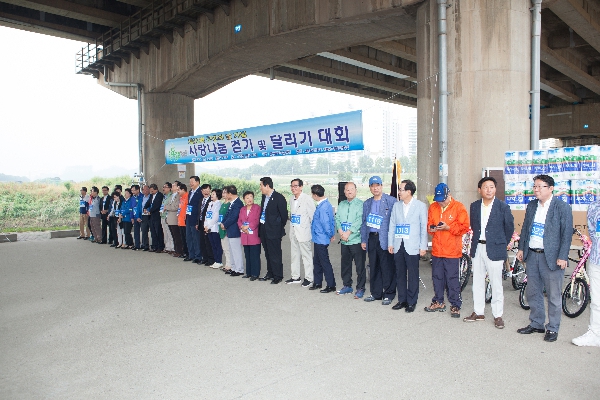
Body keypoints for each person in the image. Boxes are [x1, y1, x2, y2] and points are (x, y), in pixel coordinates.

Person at [516, 174, 573, 342]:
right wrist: (521, 248)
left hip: (552, 257)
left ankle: (553, 328)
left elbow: (566, 234)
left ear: (551, 188)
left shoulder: (561, 207)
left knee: (554, 295)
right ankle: (536, 323)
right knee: (533, 292)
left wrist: (563, 256)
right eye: (535, 186)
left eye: (540, 186)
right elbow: (526, 228)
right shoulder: (532, 205)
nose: (536, 189)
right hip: (533, 254)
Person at [465, 177, 514, 328]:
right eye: (485, 187)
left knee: (496, 283)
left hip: (495, 248)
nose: (488, 190)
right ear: (479, 190)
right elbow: (474, 226)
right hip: (478, 247)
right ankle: (478, 312)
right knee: (478, 281)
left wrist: (501, 243)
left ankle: (497, 315)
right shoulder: (474, 206)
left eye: (491, 187)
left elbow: (509, 228)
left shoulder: (502, 207)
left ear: (495, 189)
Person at [426, 183, 470, 318]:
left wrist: (448, 228)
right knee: (437, 277)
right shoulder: (433, 207)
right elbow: (429, 225)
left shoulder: (459, 207)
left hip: (452, 251)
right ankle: (438, 301)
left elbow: (464, 227)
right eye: (438, 200)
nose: (440, 203)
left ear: (449, 195)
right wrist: (432, 228)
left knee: (452, 279)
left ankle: (455, 304)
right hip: (437, 250)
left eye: (442, 200)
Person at [387, 179, 428, 313]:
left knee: (413, 274)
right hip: (399, 244)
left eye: (401, 190)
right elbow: (392, 225)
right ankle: (402, 299)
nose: (399, 192)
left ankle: (411, 301)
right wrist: (390, 243)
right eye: (399, 190)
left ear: (409, 192)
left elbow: (423, 228)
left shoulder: (420, 206)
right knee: (400, 274)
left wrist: (423, 246)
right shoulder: (396, 206)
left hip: (413, 245)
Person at [360, 176, 397, 305]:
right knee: (374, 266)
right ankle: (376, 293)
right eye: (372, 186)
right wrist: (363, 240)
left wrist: (393, 241)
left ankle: (389, 293)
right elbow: (364, 222)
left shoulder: (391, 201)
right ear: (370, 188)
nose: (375, 188)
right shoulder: (367, 203)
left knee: (387, 267)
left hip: (385, 239)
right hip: (372, 238)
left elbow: (394, 222)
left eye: (377, 185)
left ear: (382, 186)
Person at [572, 197, 600, 346]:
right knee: (596, 301)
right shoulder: (594, 206)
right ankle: (595, 334)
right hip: (596, 260)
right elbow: (593, 231)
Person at [335, 182, 366, 297]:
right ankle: (347, 285)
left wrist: (348, 232)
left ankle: (360, 288)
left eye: (352, 189)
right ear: (344, 192)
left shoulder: (360, 204)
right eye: (347, 190)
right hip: (344, 240)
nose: (349, 191)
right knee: (345, 264)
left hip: (356, 240)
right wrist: (340, 231)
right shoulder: (342, 204)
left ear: (356, 190)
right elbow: (337, 218)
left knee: (359, 266)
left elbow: (359, 220)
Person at [258, 177, 288, 284]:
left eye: (261, 185)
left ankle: (278, 275)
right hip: (264, 229)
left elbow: (284, 216)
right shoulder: (264, 197)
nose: (260, 188)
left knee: (275, 254)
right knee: (267, 253)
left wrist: (277, 227)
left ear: (267, 185)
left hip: (274, 231)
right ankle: (270, 273)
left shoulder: (279, 197)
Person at [286, 178, 316, 286]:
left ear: (301, 187)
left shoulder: (307, 199)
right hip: (293, 231)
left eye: (296, 186)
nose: (293, 188)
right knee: (294, 255)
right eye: (292, 186)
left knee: (306, 256)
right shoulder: (291, 199)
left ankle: (309, 278)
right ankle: (295, 277)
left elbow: (313, 217)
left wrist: (313, 232)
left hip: (304, 232)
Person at [309, 184, 336, 293]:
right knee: (317, 261)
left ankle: (331, 285)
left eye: (312, 194)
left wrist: (330, 234)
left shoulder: (323, 206)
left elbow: (326, 223)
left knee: (324, 262)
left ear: (315, 195)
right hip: (318, 238)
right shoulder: (325, 204)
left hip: (321, 238)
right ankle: (317, 282)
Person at [220, 185, 244, 276]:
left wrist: (225, 224)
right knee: (231, 250)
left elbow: (234, 217)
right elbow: (227, 215)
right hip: (230, 230)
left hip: (235, 230)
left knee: (236, 251)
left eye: (226, 193)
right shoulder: (232, 203)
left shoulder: (238, 203)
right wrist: (223, 223)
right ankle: (233, 268)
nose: (225, 194)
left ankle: (239, 269)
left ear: (230, 194)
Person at [238, 190, 262, 280]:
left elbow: (256, 220)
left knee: (254, 255)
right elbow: (239, 220)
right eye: (247, 198)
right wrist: (242, 227)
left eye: (251, 197)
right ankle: (248, 273)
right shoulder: (242, 209)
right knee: (247, 255)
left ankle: (255, 274)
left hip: (254, 235)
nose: (249, 199)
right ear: (244, 199)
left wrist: (248, 227)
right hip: (245, 235)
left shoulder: (257, 208)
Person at [184, 176, 203, 263]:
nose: (190, 183)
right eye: (190, 181)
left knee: (196, 238)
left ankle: (198, 256)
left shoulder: (200, 192)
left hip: (195, 217)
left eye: (192, 181)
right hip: (189, 216)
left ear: (198, 182)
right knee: (189, 237)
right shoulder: (190, 192)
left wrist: (198, 220)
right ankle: (191, 255)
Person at [204, 189, 223, 268]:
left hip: (214, 228)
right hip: (208, 227)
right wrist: (205, 225)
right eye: (212, 194)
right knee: (212, 245)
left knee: (217, 245)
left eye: (214, 194)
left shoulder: (218, 204)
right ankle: (215, 260)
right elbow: (207, 215)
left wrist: (209, 226)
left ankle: (219, 261)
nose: (212, 195)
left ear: (218, 195)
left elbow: (215, 217)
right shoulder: (210, 203)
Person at [145, 183, 165, 253]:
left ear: (156, 189)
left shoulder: (160, 195)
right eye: (150, 190)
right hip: (151, 216)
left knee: (158, 231)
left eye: (152, 190)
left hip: (157, 215)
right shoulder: (151, 196)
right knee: (153, 231)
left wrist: (150, 210)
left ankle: (160, 246)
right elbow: (148, 203)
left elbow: (157, 205)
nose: (151, 192)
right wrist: (145, 208)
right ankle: (154, 246)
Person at [165, 182, 183, 257]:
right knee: (173, 235)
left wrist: (167, 207)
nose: (172, 187)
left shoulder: (178, 196)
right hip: (169, 217)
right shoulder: (171, 195)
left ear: (178, 187)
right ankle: (175, 249)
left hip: (175, 218)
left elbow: (176, 207)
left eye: (174, 185)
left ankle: (179, 250)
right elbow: (167, 204)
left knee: (177, 235)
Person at [198, 184, 215, 266]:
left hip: (208, 224)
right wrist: (197, 223)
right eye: (204, 190)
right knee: (202, 241)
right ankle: (204, 258)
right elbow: (199, 213)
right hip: (201, 223)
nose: (206, 192)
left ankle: (211, 259)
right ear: (201, 191)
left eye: (208, 190)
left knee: (208, 242)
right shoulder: (201, 200)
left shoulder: (211, 202)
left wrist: (208, 225)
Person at [218, 187, 233, 273]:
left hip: (226, 228)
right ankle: (227, 263)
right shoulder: (223, 204)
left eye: (225, 193)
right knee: (224, 248)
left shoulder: (229, 205)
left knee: (228, 248)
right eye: (223, 193)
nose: (223, 194)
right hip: (221, 227)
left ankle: (230, 264)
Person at [160, 182, 175, 253]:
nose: (164, 188)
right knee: (165, 233)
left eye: (165, 187)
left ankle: (172, 247)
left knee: (169, 233)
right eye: (163, 187)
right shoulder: (164, 196)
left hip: (168, 216)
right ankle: (167, 247)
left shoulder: (171, 196)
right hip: (162, 216)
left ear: (169, 188)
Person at [177, 183, 189, 259]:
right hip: (180, 221)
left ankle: (188, 253)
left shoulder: (187, 197)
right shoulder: (181, 198)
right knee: (183, 238)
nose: (177, 191)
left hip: (185, 221)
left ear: (183, 190)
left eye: (179, 190)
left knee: (186, 238)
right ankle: (184, 252)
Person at [130, 184, 142, 249]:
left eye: (134, 190)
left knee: (144, 231)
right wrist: (131, 217)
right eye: (131, 190)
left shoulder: (142, 196)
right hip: (134, 216)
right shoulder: (132, 198)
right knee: (136, 231)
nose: (132, 192)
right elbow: (131, 208)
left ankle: (144, 244)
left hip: (141, 216)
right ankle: (137, 245)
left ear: (138, 190)